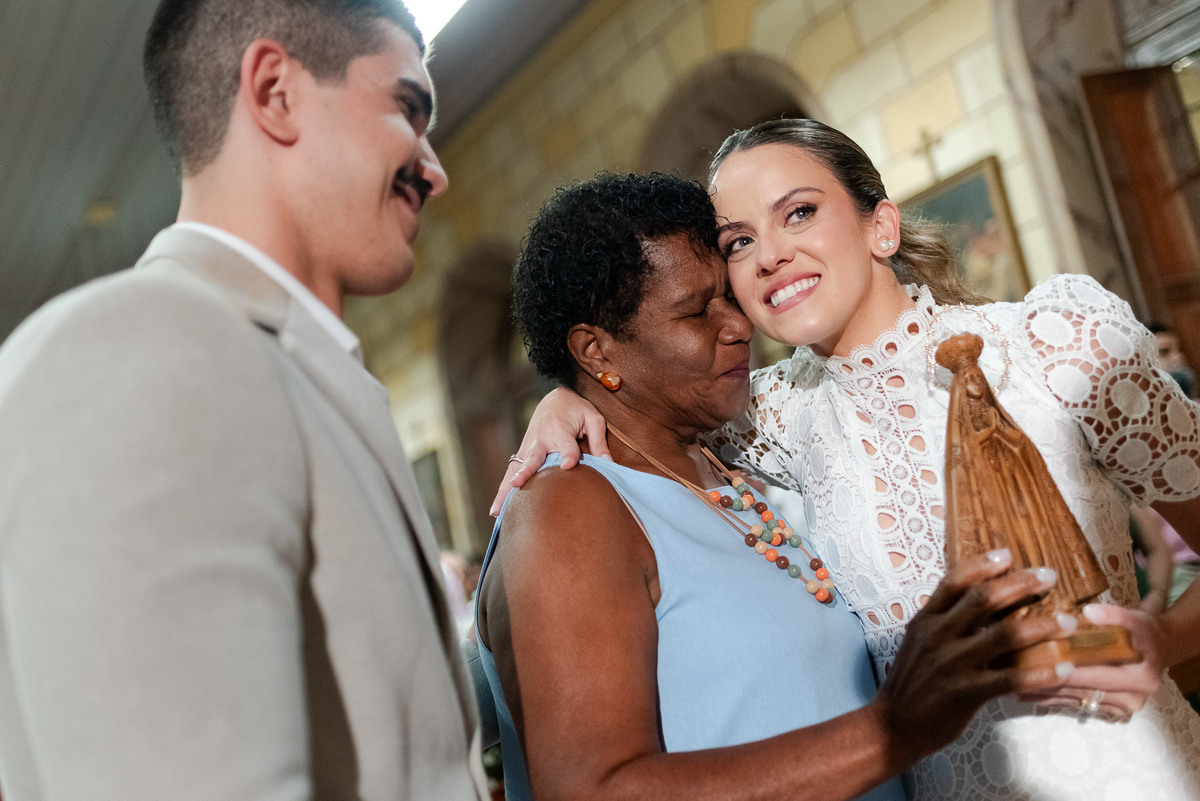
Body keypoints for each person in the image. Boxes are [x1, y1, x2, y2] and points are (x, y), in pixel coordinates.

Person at [496, 120, 1200, 799]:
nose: (770, 255)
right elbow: (641, 408)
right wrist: (568, 397)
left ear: (880, 226)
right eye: (740, 241)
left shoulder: (1057, 346)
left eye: (798, 212)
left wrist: (1165, 637)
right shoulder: (773, 414)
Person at [0, 1, 488, 799]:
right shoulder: (144, 345)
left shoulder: (278, 366)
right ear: (274, 92)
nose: (435, 171)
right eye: (407, 107)